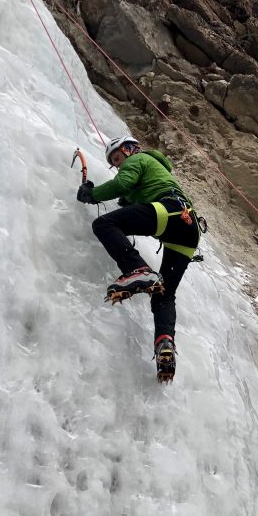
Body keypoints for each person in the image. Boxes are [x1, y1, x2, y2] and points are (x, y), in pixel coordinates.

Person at [76, 135, 200, 383]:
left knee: (104, 223)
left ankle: (137, 268)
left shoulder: (139, 158)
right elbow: (130, 194)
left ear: (129, 149)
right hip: (188, 230)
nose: (118, 164)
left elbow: (123, 183)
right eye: (114, 162)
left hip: (170, 212)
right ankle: (165, 343)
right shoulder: (154, 170)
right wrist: (125, 199)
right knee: (164, 294)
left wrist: (93, 194)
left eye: (118, 158)